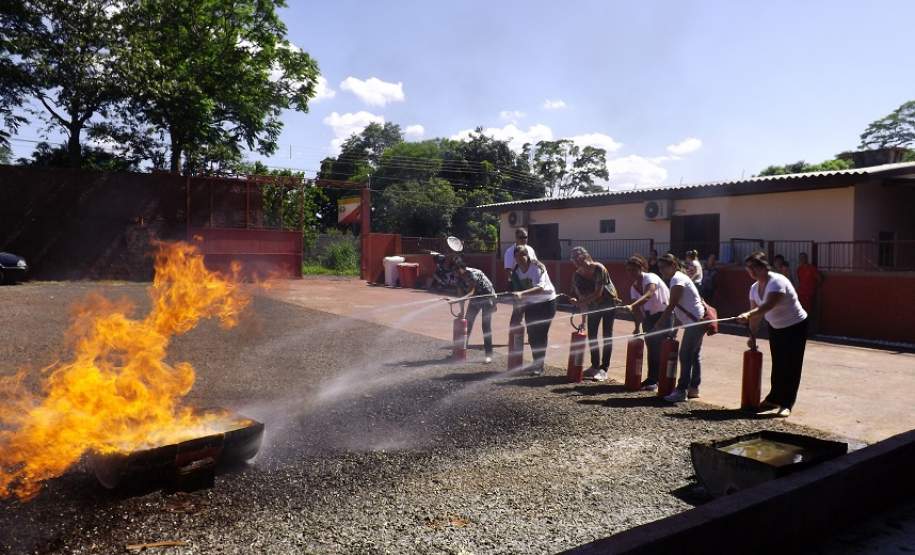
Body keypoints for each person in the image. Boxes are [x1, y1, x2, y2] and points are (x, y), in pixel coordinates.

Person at [738, 251, 809, 418]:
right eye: (749, 269)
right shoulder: (754, 288)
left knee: (791, 365)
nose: (752, 272)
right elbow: (756, 315)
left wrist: (748, 314)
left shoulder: (777, 282)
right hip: (776, 327)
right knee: (778, 363)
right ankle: (774, 398)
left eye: (755, 268)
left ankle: (787, 404)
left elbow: (768, 305)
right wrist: (752, 337)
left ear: (764, 267)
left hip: (795, 326)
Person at [655, 253, 707, 402]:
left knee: (685, 355)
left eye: (664, 267)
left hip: (695, 322)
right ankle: (693, 388)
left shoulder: (677, 279)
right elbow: (679, 309)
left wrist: (659, 323)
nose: (661, 270)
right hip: (697, 319)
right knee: (694, 354)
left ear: (673, 265)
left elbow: (672, 305)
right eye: (659, 268)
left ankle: (681, 390)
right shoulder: (679, 278)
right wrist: (674, 330)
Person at [568, 246, 621, 381]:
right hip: (593, 307)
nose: (576, 261)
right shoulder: (577, 276)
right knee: (592, 335)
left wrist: (581, 302)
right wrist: (583, 321)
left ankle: (604, 368)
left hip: (609, 303)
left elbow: (598, 293)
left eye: (577, 257)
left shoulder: (599, 268)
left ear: (585, 256)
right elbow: (582, 300)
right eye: (574, 259)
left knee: (606, 335)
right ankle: (595, 366)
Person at [623, 254, 670, 391]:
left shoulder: (650, 277)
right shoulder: (633, 287)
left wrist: (633, 305)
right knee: (652, 348)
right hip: (649, 317)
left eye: (633, 269)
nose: (631, 273)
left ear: (641, 268)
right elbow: (637, 310)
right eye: (628, 270)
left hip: (664, 315)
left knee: (662, 348)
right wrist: (637, 327)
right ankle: (652, 379)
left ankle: (663, 381)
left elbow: (649, 293)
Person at [510, 245, 556, 376]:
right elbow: (517, 290)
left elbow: (540, 287)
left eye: (522, 255)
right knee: (531, 335)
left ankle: (539, 366)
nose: (519, 259)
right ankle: (536, 362)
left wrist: (522, 294)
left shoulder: (536, 267)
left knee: (540, 334)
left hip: (547, 303)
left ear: (527, 255)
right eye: (517, 256)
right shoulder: (517, 271)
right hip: (531, 304)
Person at [453, 260, 497, 364]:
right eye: (454, 271)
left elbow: (471, 291)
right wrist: (462, 311)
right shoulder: (458, 277)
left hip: (487, 297)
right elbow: (460, 295)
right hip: (476, 298)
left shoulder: (472, 274)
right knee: (467, 323)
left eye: (457, 270)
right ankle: (462, 351)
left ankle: (488, 355)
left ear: (463, 268)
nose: (456, 273)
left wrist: (494, 304)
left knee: (486, 326)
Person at [504, 228, 538, 328]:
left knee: (531, 311)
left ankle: (531, 334)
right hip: (517, 285)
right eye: (521, 237)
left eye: (525, 237)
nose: (524, 239)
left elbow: (535, 265)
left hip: (530, 285)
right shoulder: (510, 251)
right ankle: (512, 335)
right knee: (517, 312)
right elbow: (509, 271)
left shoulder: (530, 249)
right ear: (516, 238)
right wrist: (519, 288)